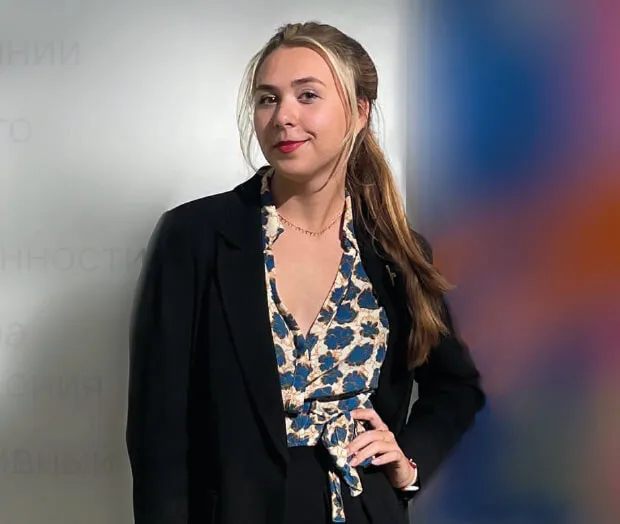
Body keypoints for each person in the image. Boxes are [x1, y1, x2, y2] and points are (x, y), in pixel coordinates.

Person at [126, 21, 485, 524]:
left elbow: (456, 387)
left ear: (359, 112)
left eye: (307, 95)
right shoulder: (194, 237)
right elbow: (158, 435)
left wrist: (408, 462)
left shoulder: (395, 253)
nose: (282, 117)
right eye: (267, 99)